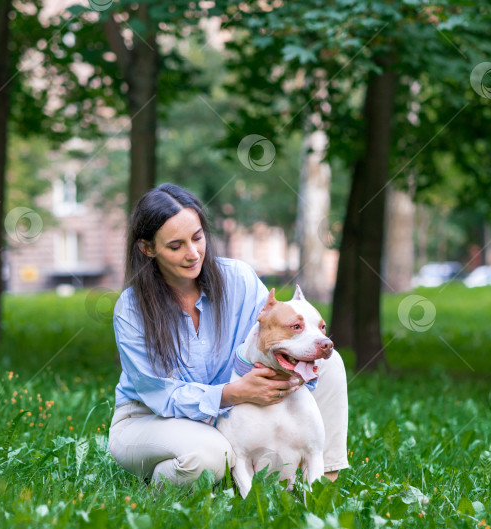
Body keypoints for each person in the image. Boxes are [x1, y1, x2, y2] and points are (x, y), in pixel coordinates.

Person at [108, 183, 349, 488]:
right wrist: (233, 393)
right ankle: (160, 482)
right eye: (176, 245)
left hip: (224, 414)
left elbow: (268, 342)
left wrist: (298, 365)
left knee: (328, 364)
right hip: (150, 419)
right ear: (148, 248)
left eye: (197, 237)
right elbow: (159, 395)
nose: (193, 253)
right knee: (212, 457)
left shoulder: (238, 279)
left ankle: (322, 483)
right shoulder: (131, 309)